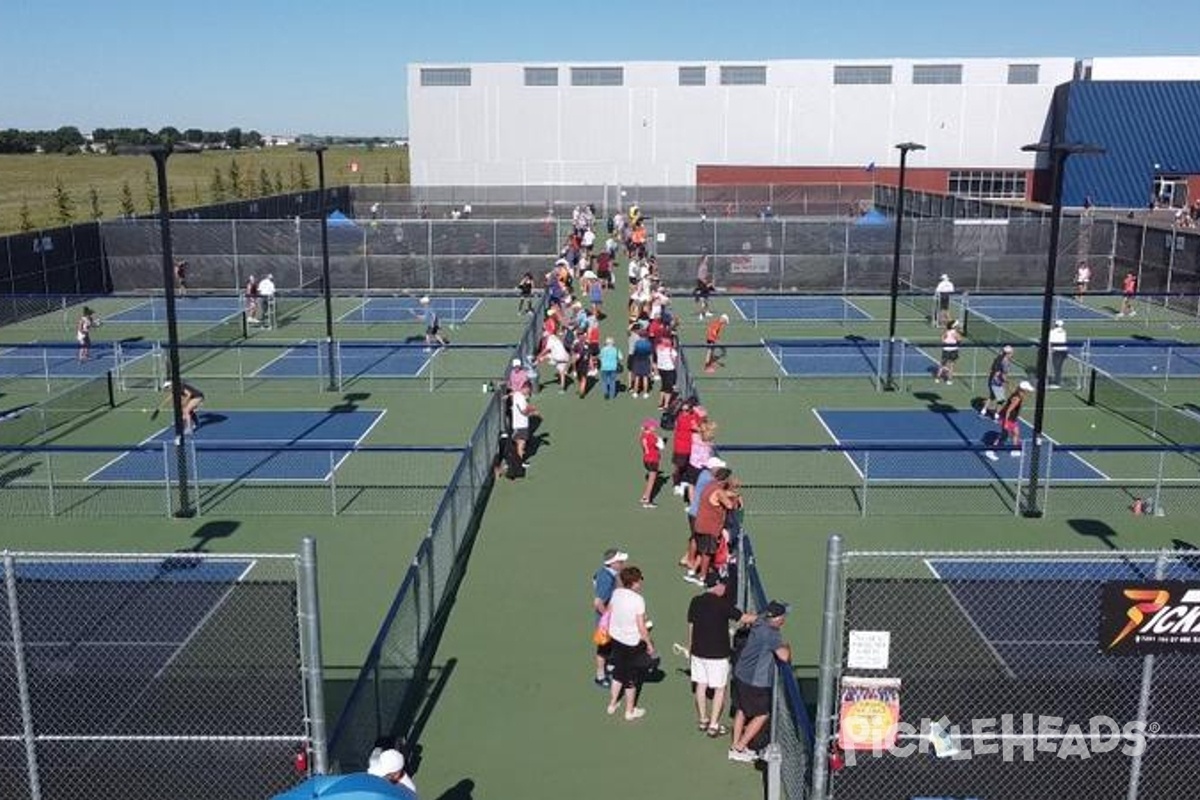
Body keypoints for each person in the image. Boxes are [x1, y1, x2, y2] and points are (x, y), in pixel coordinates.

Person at [688, 573, 755, 738]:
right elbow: (744, 618)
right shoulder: (722, 604)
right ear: (717, 586)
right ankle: (713, 725)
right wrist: (762, 618)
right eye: (723, 585)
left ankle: (703, 720)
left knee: (701, 686)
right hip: (718, 655)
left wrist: (690, 648)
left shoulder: (695, 601)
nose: (725, 588)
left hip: (698, 652)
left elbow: (691, 626)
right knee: (719, 689)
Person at [730, 601, 791, 762]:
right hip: (755, 681)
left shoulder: (761, 620)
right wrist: (787, 647)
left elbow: (747, 618)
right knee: (762, 714)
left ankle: (735, 744)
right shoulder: (771, 634)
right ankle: (740, 747)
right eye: (784, 616)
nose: (785, 618)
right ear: (777, 619)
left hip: (740, 673)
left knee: (742, 709)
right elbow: (784, 656)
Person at [606, 565, 655, 721]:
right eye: (639, 579)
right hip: (631, 642)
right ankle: (630, 711)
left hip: (616, 638)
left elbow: (610, 612)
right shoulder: (638, 600)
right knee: (631, 678)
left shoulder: (616, 593)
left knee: (618, 672)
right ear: (634, 582)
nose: (640, 582)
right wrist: (649, 643)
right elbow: (641, 626)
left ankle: (612, 704)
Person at [693, 467, 742, 586]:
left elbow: (722, 494)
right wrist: (736, 497)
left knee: (704, 551)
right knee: (707, 553)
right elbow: (730, 505)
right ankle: (702, 577)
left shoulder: (711, 485)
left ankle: (697, 572)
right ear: (725, 479)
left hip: (701, 523)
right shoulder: (719, 492)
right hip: (710, 527)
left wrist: (731, 492)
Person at [592, 548, 628, 687]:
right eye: (620, 561)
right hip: (605, 622)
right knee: (603, 648)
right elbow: (598, 602)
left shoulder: (609, 574)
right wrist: (607, 618)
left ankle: (609, 667)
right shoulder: (606, 578)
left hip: (609, 619)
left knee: (610, 646)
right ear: (612, 563)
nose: (623, 563)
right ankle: (600, 676)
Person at [985, 380, 1034, 461]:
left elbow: (1011, 389)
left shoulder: (1018, 394)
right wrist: (1005, 423)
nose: (1028, 391)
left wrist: (1007, 384)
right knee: (1003, 436)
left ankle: (1015, 450)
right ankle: (990, 451)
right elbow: (1008, 410)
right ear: (1023, 389)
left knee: (1016, 433)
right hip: (1007, 418)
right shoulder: (1017, 398)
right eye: (1027, 389)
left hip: (1012, 418)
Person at [980, 345, 1014, 419]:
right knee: (1001, 400)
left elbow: (992, 369)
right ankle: (996, 416)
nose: (1012, 354)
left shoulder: (998, 358)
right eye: (1011, 352)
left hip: (991, 380)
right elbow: (1003, 375)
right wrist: (1008, 383)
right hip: (997, 382)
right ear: (1008, 353)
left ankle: (983, 411)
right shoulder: (1006, 362)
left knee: (992, 396)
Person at [510, 382, 537, 468]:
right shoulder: (521, 398)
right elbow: (524, 412)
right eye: (529, 390)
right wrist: (532, 410)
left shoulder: (517, 394)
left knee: (520, 444)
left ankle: (519, 461)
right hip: (521, 425)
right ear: (526, 388)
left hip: (518, 424)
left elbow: (512, 394)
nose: (529, 392)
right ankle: (519, 463)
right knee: (521, 444)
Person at [638, 418, 663, 509]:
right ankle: (647, 500)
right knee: (651, 482)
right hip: (653, 460)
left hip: (646, 459)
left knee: (650, 480)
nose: (655, 427)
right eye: (654, 426)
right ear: (649, 427)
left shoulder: (642, 436)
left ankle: (645, 496)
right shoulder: (651, 437)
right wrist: (658, 438)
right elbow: (661, 446)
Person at [934, 319, 962, 384]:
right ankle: (949, 380)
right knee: (951, 365)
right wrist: (958, 336)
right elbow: (959, 339)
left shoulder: (947, 331)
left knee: (942, 364)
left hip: (946, 349)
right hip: (953, 350)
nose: (958, 326)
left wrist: (945, 342)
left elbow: (942, 338)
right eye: (957, 325)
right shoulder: (955, 332)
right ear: (954, 326)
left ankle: (937, 378)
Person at [693, 253, 715, 318]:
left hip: (702, 283)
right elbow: (700, 276)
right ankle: (703, 313)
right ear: (704, 259)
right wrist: (706, 284)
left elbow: (704, 276)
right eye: (706, 258)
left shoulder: (704, 266)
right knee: (704, 298)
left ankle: (706, 312)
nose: (707, 259)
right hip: (702, 283)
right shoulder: (703, 266)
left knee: (705, 298)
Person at [1048, 319, 1068, 388]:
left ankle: (1057, 383)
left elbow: (1050, 341)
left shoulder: (1052, 332)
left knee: (1056, 367)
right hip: (1064, 351)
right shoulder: (1064, 331)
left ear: (1055, 325)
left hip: (1057, 351)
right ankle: (1057, 381)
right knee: (1059, 367)